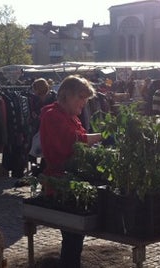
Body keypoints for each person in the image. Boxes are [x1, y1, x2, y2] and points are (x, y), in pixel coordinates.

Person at [39, 75, 102, 267]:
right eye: (80, 98)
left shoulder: (72, 118)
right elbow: (73, 141)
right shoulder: (51, 115)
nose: (84, 103)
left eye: (85, 98)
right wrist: (102, 136)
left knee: (75, 238)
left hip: (73, 181)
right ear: (66, 95)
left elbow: (81, 141)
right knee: (72, 237)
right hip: (60, 183)